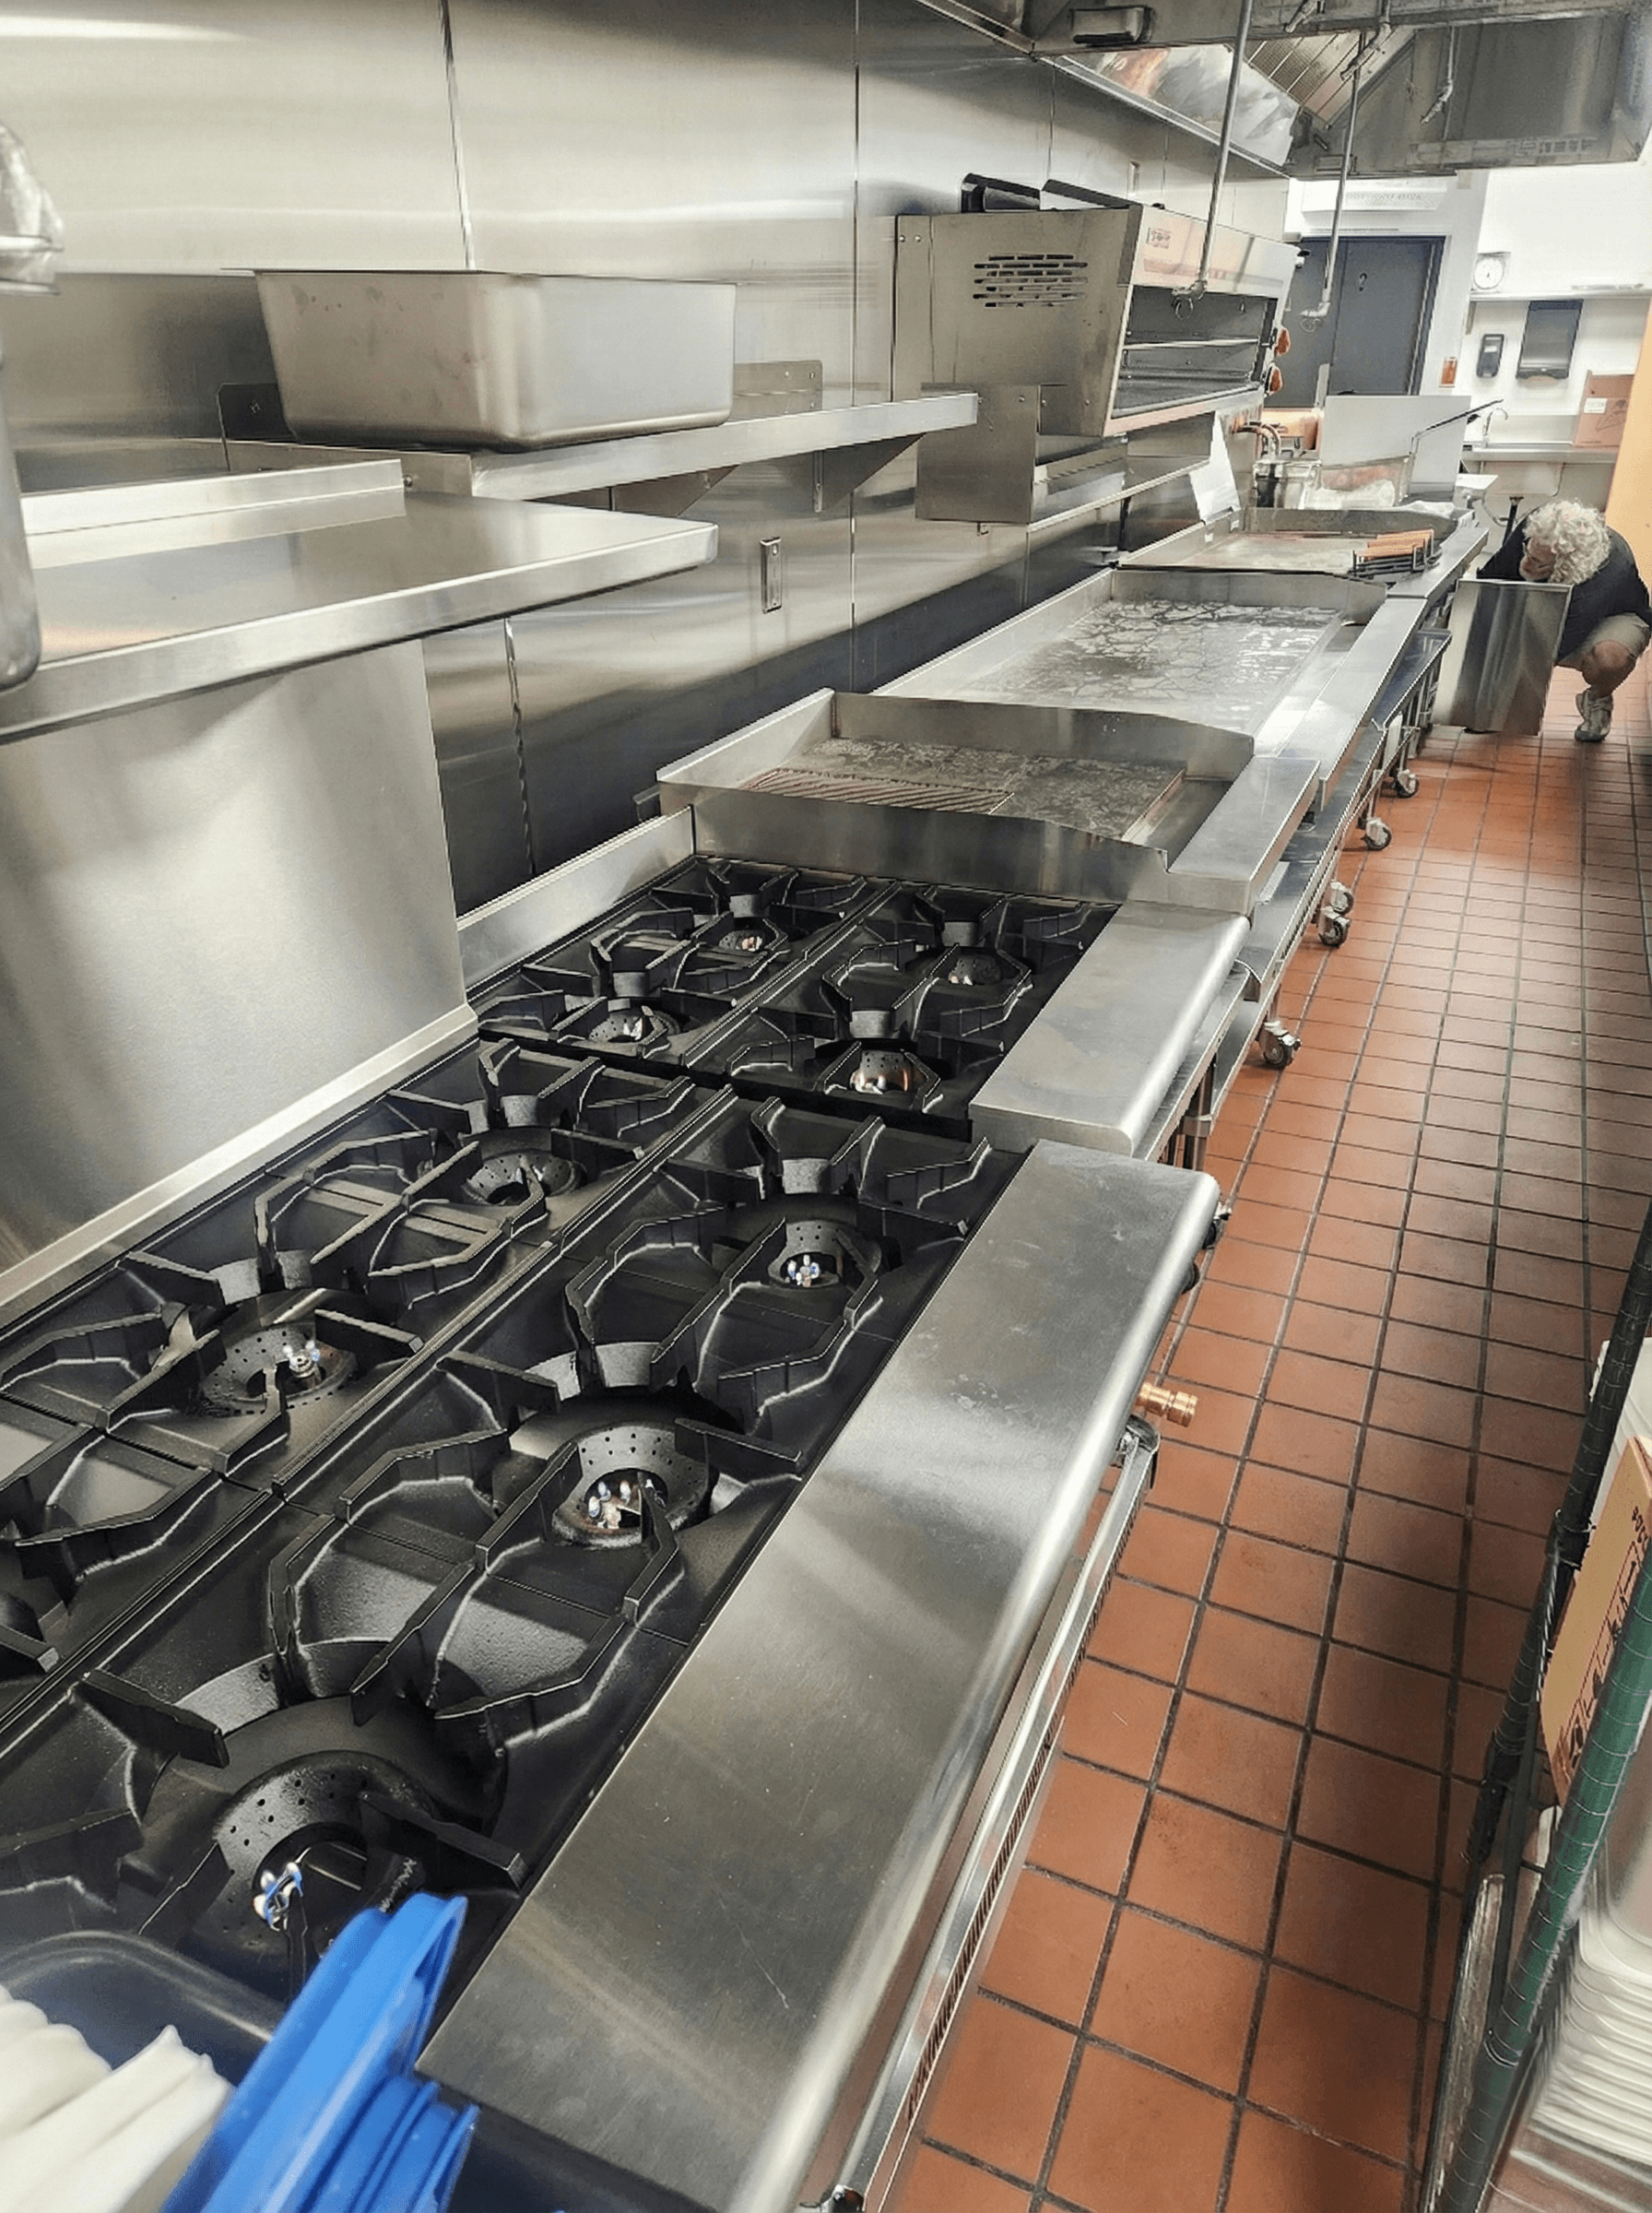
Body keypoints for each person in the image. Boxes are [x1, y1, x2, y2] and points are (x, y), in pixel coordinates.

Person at [1479, 499, 1652, 743]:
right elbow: (1492, 578)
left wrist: (1503, 701)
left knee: (1609, 658)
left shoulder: (1610, 571)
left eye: (1538, 562)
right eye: (1528, 550)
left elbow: (1560, 643)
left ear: (1567, 565)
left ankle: (1598, 698)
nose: (1526, 562)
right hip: (1551, 601)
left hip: (1612, 615)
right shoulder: (1540, 527)